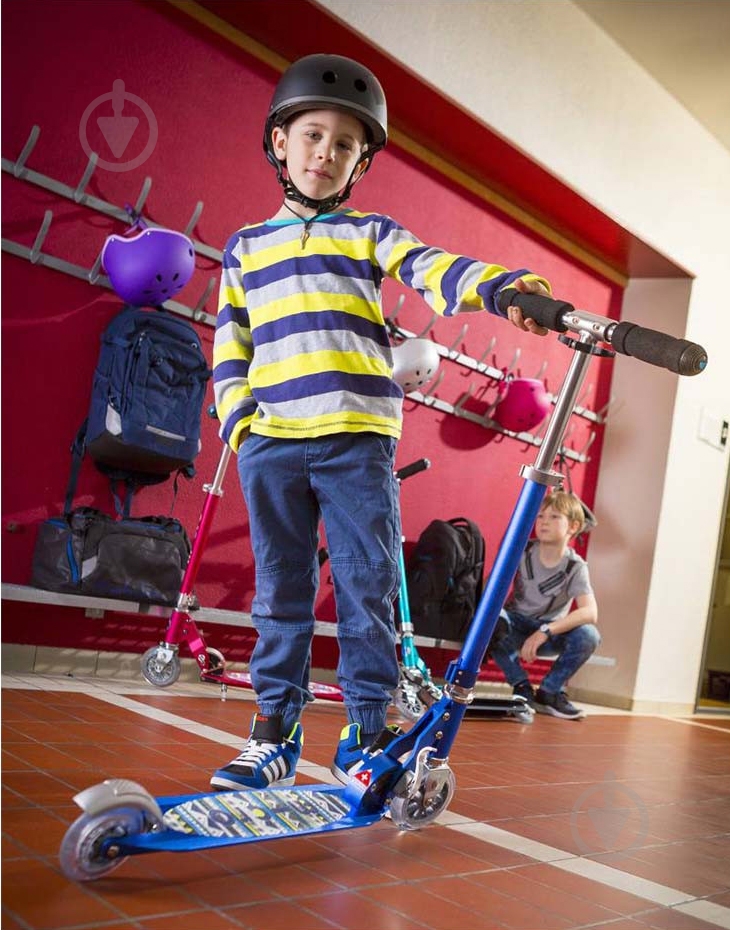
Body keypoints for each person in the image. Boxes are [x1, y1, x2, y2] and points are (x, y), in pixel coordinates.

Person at [210, 53, 553, 791]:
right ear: (280, 143)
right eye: (312, 136)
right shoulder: (245, 247)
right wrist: (241, 425)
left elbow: (433, 268)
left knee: (368, 586)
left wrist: (499, 290)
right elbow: (230, 343)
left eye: (344, 145)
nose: (324, 153)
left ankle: (367, 734)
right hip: (271, 445)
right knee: (280, 591)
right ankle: (274, 730)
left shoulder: (368, 232)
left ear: (360, 162)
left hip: (355, 443)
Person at [488, 490, 600, 720]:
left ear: (573, 526)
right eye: (541, 516)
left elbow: (590, 612)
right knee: (491, 621)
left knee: (589, 635)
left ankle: (549, 693)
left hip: (549, 632)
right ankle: (522, 687)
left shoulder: (575, 566)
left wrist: (545, 631)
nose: (544, 522)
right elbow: (493, 588)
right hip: (515, 626)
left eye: (554, 517)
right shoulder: (522, 550)